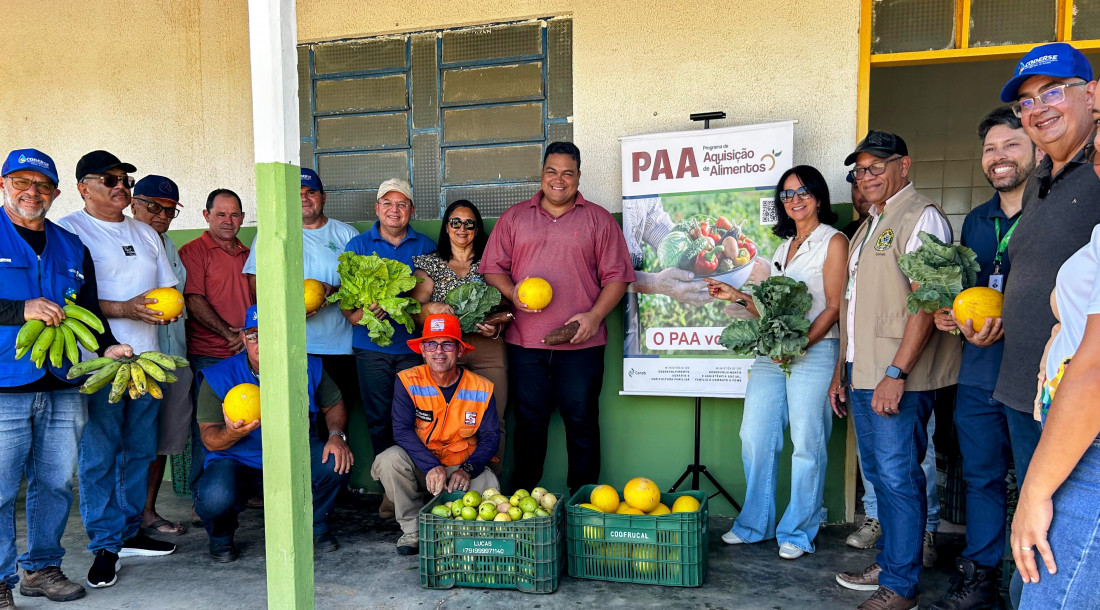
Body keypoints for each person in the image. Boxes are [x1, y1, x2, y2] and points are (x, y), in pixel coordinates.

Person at [829, 131, 961, 610]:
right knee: (883, 479)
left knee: (898, 477)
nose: (867, 177)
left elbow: (926, 302)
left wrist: (896, 372)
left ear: (904, 166)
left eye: (876, 166)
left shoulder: (920, 215)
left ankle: (901, 588)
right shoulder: (869, 224)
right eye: (860, 170)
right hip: (861, 371)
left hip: (893, 375)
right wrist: (841, 370)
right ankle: (892, 564)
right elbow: (854, 305)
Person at [0, 148, 133, 606]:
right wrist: (20, 310)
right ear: (3, 185)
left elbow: (88, 309)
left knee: (56, 482)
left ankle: (40, 568)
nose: (31, 192)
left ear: (55, 193)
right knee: (0, 487)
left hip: (63, 381)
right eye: (21, 182)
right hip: (5, 382)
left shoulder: (70, 245)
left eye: (41, 185)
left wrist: (109, 345)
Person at [927, 107, 1038, 610]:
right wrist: (949, 316)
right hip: (977, 375)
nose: (999, 158)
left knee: (1043, 480)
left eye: (1011, 145)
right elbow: (967, 293)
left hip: (1034, 376)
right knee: (981, 479)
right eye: (991, 148)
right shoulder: (975, 220)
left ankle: (1037, 585)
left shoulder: (1053, 211)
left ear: (1036, 147)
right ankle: (980, 578)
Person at [705, 165, 847, 560]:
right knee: (755, 435)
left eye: (803, 192)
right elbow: (768, 310)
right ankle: (755, 524)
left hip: (815, 350)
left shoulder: (833, 241)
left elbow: (834, 306)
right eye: (787, 194)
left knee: (807, 442)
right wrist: (736, 296)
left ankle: (799, 532)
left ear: (818, 197)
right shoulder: (782, 248)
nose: (795, 199)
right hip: (773, 351)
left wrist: (800, 345)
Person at [56, 150, 181, 589]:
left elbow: (166, 288)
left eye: (124, 180)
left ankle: (129, 533)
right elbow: (72, 301)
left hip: (147, 361)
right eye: (109, 180)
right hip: (100, 362)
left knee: (140, 451)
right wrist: (124, 308)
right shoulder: (70, 231)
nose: (120, 187)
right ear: (82, 187)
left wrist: (167, 309)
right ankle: (105, 545)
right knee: (100, 455)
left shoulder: (145, 233)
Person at [481, 141, 636, 493]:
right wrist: (513, 293)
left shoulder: (598, 219)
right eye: (552, 171)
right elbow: (492, 269)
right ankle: (522, 501)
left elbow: (618, 277)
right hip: (525, 344)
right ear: (542, 173)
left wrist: (595, 317)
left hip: (582, 345)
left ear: (579, 176)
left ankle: (582, 502)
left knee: (581, 424)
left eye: (568, 172)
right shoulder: (515, 217)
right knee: (529, 425)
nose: (559, 179)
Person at [995, 42, 1100, 487]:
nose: (1038, 109)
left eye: (1054, 92)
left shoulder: (1097, 169)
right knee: (1035, 524)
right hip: (1024, 386)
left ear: (1091, 95)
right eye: (1026, 102)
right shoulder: (1038, 177)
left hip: (1076, 393)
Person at [191, 305, 352, 562]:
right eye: (254, 335)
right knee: (214, 495)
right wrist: (232, 433)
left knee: (335, 461)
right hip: (237, 460)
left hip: (294, 453)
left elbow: (333, 404)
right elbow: (209, 439)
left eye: (269, 333)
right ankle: (221, 537)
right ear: (243, 338)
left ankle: (316, 526)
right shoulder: (218, 376)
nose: (261, 342)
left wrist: (336, 436)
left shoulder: (306, 365)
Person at [243, 168, 360, 450]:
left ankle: (334, 489)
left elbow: (362, 287)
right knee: (296, 423)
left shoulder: (346, 234)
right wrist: (286, 308)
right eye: (297, 195)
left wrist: (333, 293)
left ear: (323, 197)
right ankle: (302, 493)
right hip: (293, 347)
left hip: (339, 347)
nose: (305, 199)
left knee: (338, 423)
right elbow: (255, 283)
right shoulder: (273, 234)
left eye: (311, 193)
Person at [371, 313, 501, 555]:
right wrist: (431, 465)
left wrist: (468, 469)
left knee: (488, 483)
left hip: (458, 468)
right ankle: (413, 530)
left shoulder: (481, 387)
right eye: (431, 343)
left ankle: (457, 532)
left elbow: (491, 437)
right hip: (422, 466)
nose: (439, 351)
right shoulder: (408, 380)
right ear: (422, 350)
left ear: (460, 351)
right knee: (389, 460)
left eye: (447, 344)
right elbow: (401, 430)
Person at [410, 200, 511, 471]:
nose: (462, 228)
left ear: (477, 230)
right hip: (442, 349)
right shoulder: (430, 264)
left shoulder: (492, 263)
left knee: (493, 418)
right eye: (456, 222)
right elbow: (414, 310)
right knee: (437, 419)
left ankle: (489, 483)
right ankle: (438, 484)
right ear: (446, 227)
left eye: (469, 223)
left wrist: (498, 325)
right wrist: (430, 309)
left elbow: (509, 307)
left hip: (486, 348)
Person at [342, 179, 435, 467]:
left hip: (412, 348)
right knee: (379, 419)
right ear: (377, 208)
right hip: (371, 349)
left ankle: (414, 483)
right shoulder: (357, 245)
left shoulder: (425, 246)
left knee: (414, 416)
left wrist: (402, 301)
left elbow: (429, 296)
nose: (394, 210)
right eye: (387, 203)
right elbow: (347, 306)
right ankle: (388, 488)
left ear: (411, 210)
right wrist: (365, 312)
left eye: (401, 204)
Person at [129, 176, 193, 537]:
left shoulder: (168, 246)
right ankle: (121, 522)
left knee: (162, 441)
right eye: (154, 206)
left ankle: (147, 512)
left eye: (170, 210)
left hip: (173, 358)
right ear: (133, 203)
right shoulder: (117, 241)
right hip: (133, 361)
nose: (162, 215)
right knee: (130, 443)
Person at [178, 189, 253, 373]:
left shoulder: (249, 254)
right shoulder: (192, 251)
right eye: (221, 215)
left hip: (248, 351)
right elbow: (193, 301)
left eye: (234, 215)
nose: (228, 221)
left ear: (242, 218)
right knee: (211, 402)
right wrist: (230, 336)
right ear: (207, 215)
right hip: (209, 355)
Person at [842, 173, 873, 239]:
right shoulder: (843, 236)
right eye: (858, 186)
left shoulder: (897, 228)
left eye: (873, 186)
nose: (864, 193)